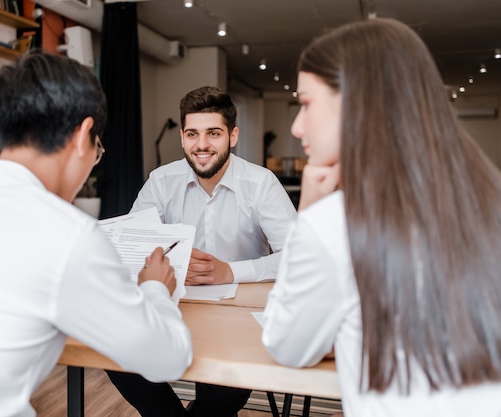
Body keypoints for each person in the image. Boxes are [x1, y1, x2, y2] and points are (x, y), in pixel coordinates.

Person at [0, 51, 192, 417]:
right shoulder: (67, 235)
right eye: (97, 149)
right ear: (82, 135)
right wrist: (155, 287)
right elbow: (167, 359)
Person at [262, 17, 501, 417]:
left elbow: (287, 345)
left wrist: (308, 216)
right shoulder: (487, 199)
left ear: (357, 101)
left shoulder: (333, 224)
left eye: (305, 103)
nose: (296, 125)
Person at [108, 86, 297, 417]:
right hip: (174, 304)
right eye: (192, 134)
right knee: (116, 352)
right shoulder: (160, 181)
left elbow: (299, 257)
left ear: (232, 136)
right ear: (182, 137)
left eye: (214, 133)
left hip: (238, 317)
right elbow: (133, 243)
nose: (202, 145)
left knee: (221, 392)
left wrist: (230, 271)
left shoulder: (261, 184)